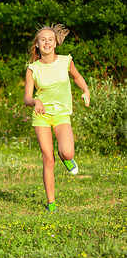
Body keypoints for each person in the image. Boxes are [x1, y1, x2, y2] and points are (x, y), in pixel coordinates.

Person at [24, 24, 90, 212]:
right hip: (42, 116)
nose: (46, 42)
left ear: (55, 43)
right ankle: (51, 203)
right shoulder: (33, 68)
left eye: (50, 39)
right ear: (37, 44)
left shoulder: (65, 61)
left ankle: (66, 158)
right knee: (48, 159)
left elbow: (76, 77)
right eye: (42, 39)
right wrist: (35, 101)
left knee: (67, 152)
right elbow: (27, 97)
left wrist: (85, 90)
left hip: (61, 114)